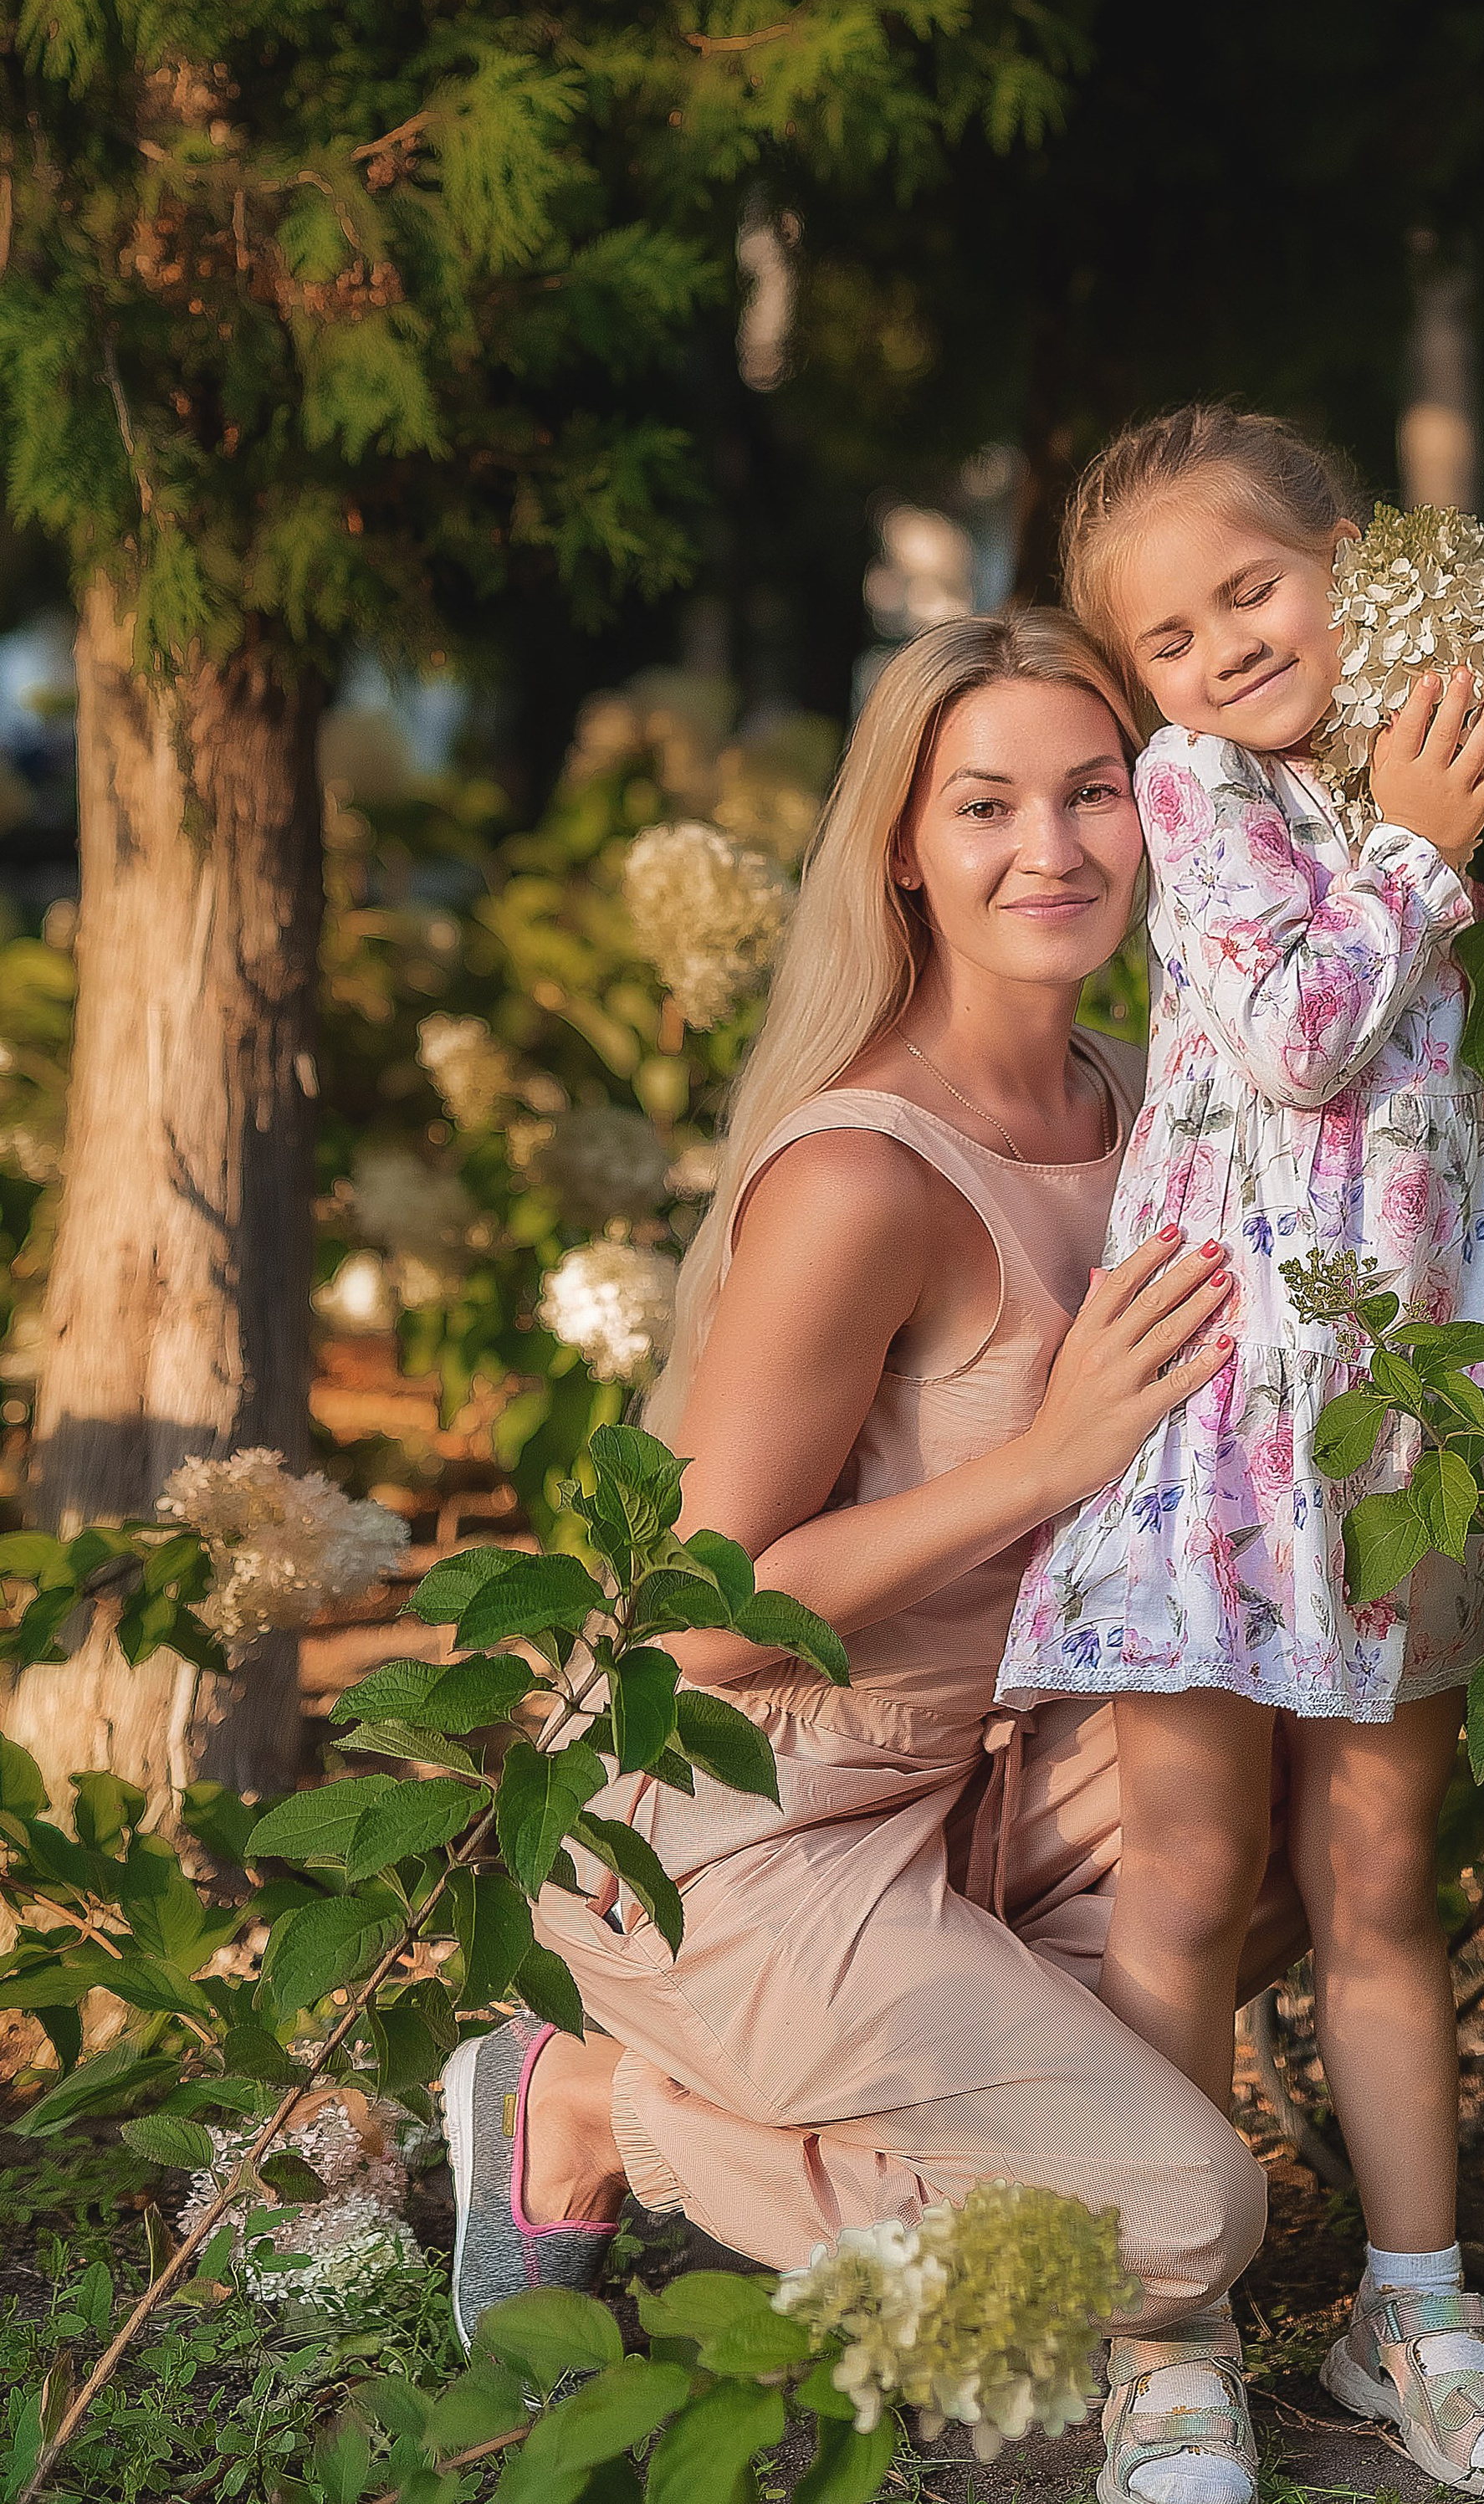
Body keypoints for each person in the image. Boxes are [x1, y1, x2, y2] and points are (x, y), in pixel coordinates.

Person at [443, 607, 1291, 2504]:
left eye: (1091, 794)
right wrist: (1052, 1453)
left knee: (1306, 1812)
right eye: (984, 805)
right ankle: (591, 2101)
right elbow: (689, 1632)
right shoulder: (865, 1177)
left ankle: (1009, 2212)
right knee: (1178, 2220)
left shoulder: (1148, 1103)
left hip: (978, 1770)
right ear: (903, 846)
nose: (1049, 852)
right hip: (733, 1815)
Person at [997, 406, 1484, 2500]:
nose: (1220, 649)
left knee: (1380, 1879)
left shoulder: (1448, 740)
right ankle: (1165, 2330)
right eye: (1169, 635)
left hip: (1412, 1442)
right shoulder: (1198, 796)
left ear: (1348, 559)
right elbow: (1302, 1037)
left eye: (1254, 588)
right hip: (1221, 1428)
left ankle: (1411, 2309)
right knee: (1192, 1877)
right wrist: (1413, 839)